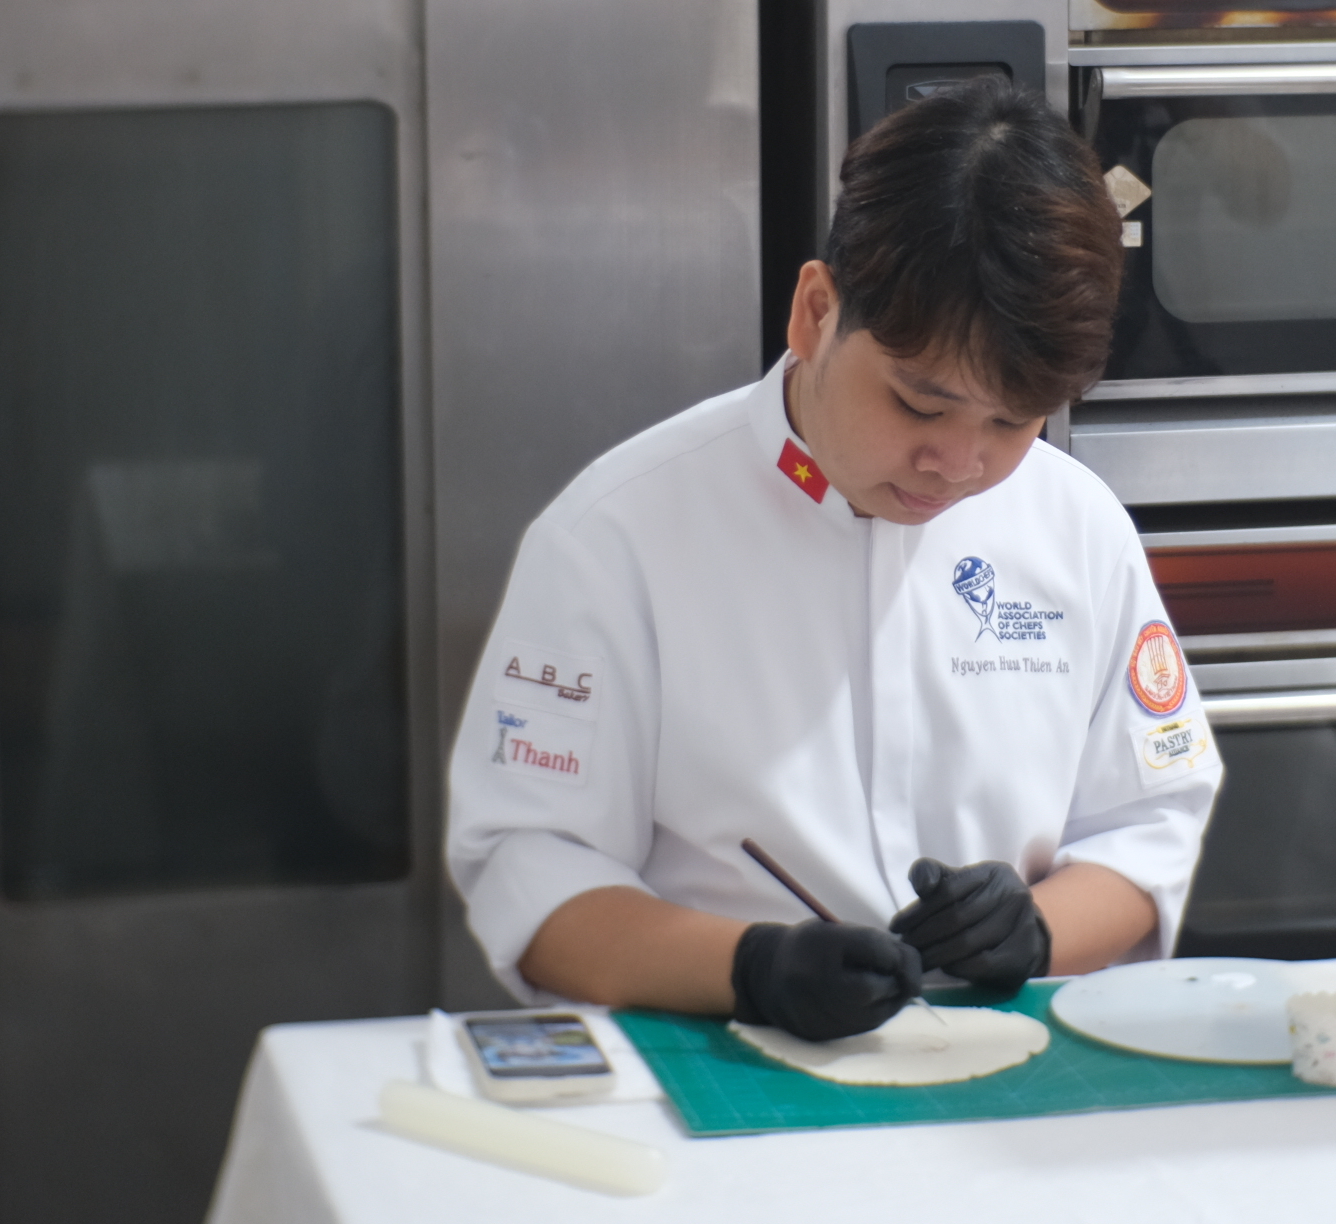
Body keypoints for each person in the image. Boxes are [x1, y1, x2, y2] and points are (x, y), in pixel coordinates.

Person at [445, 81, 1223, 1040]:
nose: (959, 464)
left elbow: (1148, 830)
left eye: (1013, 422)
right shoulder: (618, 536)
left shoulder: (1078, 527)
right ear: (816, 311)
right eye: (920, 407)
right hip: (724, 1070)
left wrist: (1035, 932)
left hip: (1008, 1076)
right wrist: (751, 967)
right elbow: (533, 873)